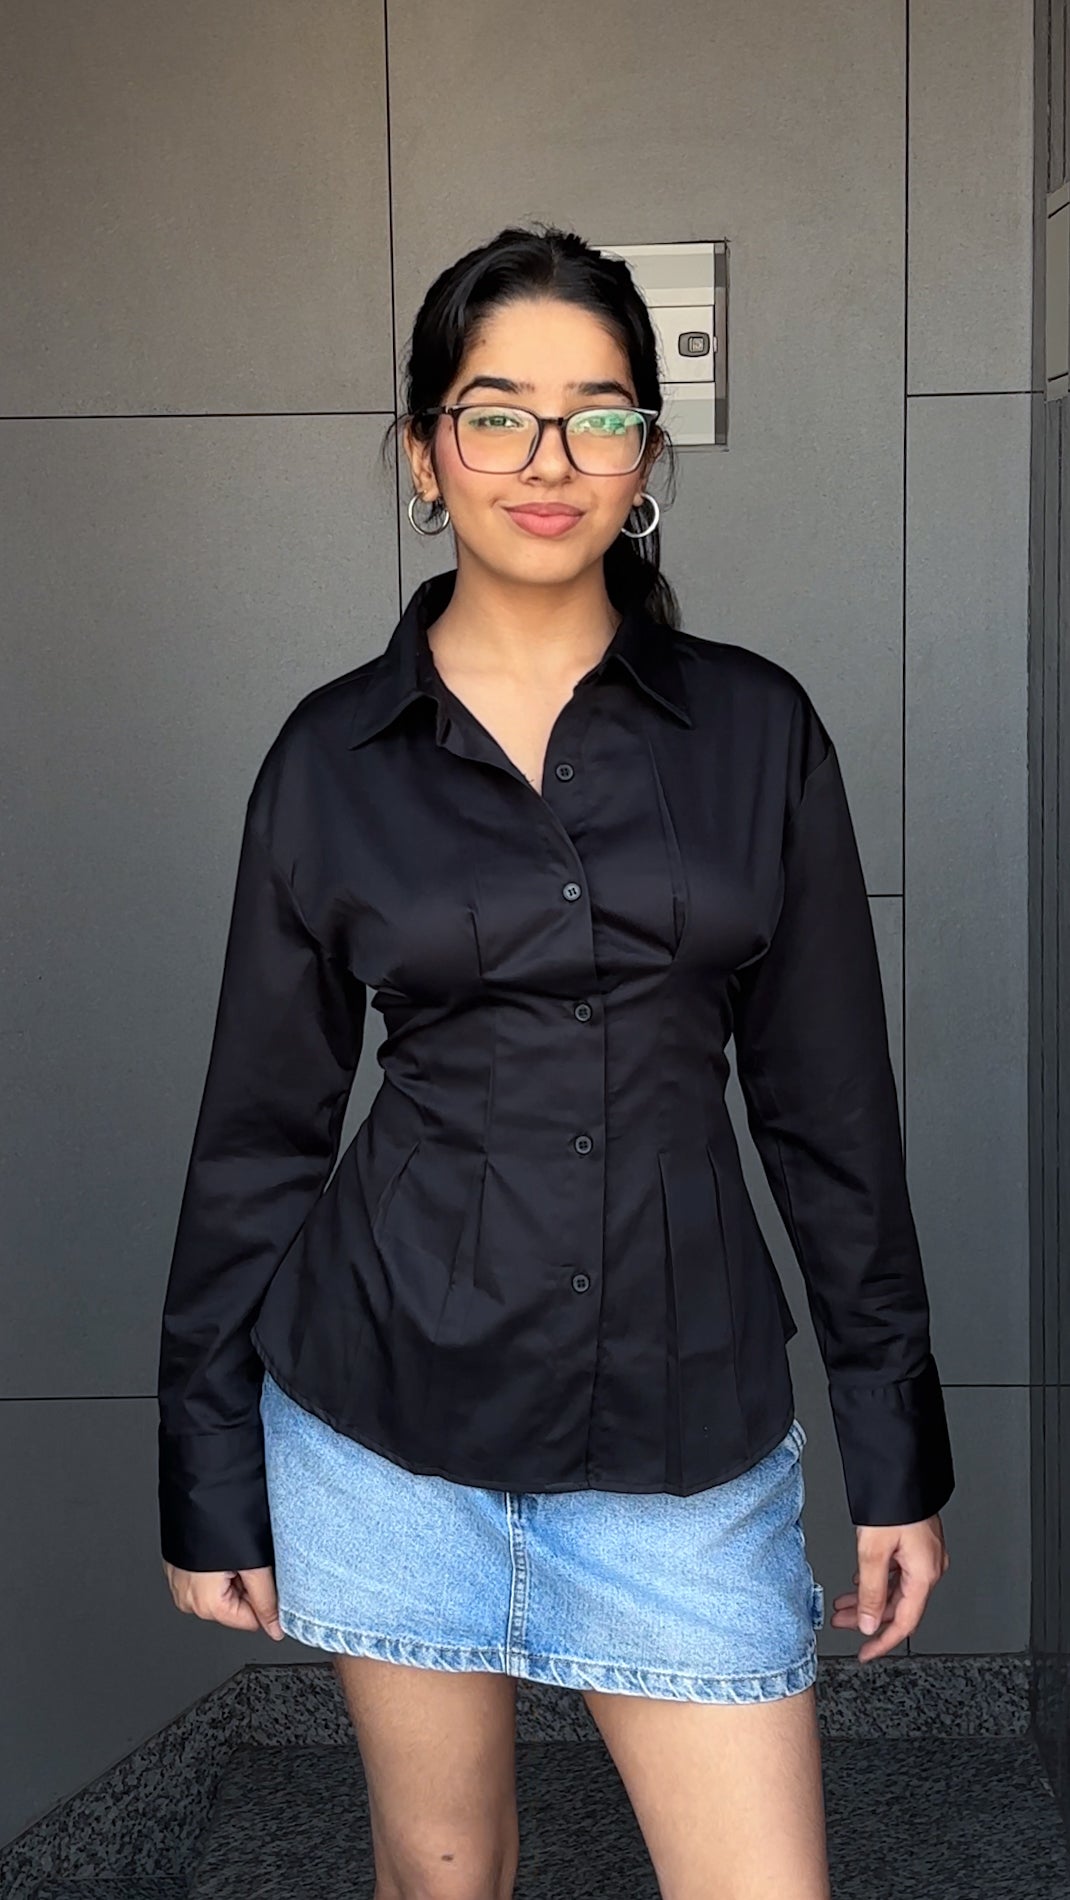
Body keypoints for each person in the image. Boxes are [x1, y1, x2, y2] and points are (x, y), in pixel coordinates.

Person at [158, 222, 954, 1900]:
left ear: (644, 457)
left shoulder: (755, 732)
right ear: (423, 453)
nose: (548, 458)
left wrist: (894, 1447)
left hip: (683, 1432)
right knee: (441, 1879)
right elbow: (258, 1136)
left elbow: (827, 1116)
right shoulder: (330, 757)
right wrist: (205, 1469)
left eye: (596, 415)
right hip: (383, 1422)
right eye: (496, 412)